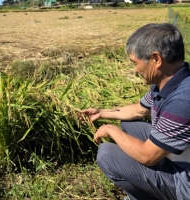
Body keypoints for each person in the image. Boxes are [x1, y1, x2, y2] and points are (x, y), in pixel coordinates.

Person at [80, 23, 190, 200]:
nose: (135, 70)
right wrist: (101, 112)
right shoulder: (169, 82)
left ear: (156, 59)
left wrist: (111, 130)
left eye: (135, 63)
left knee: (107, 154)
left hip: (186, 180)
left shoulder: (182, 101)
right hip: (182, 156)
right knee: (128, 123)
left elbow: (147, 157)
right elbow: (138, 111)